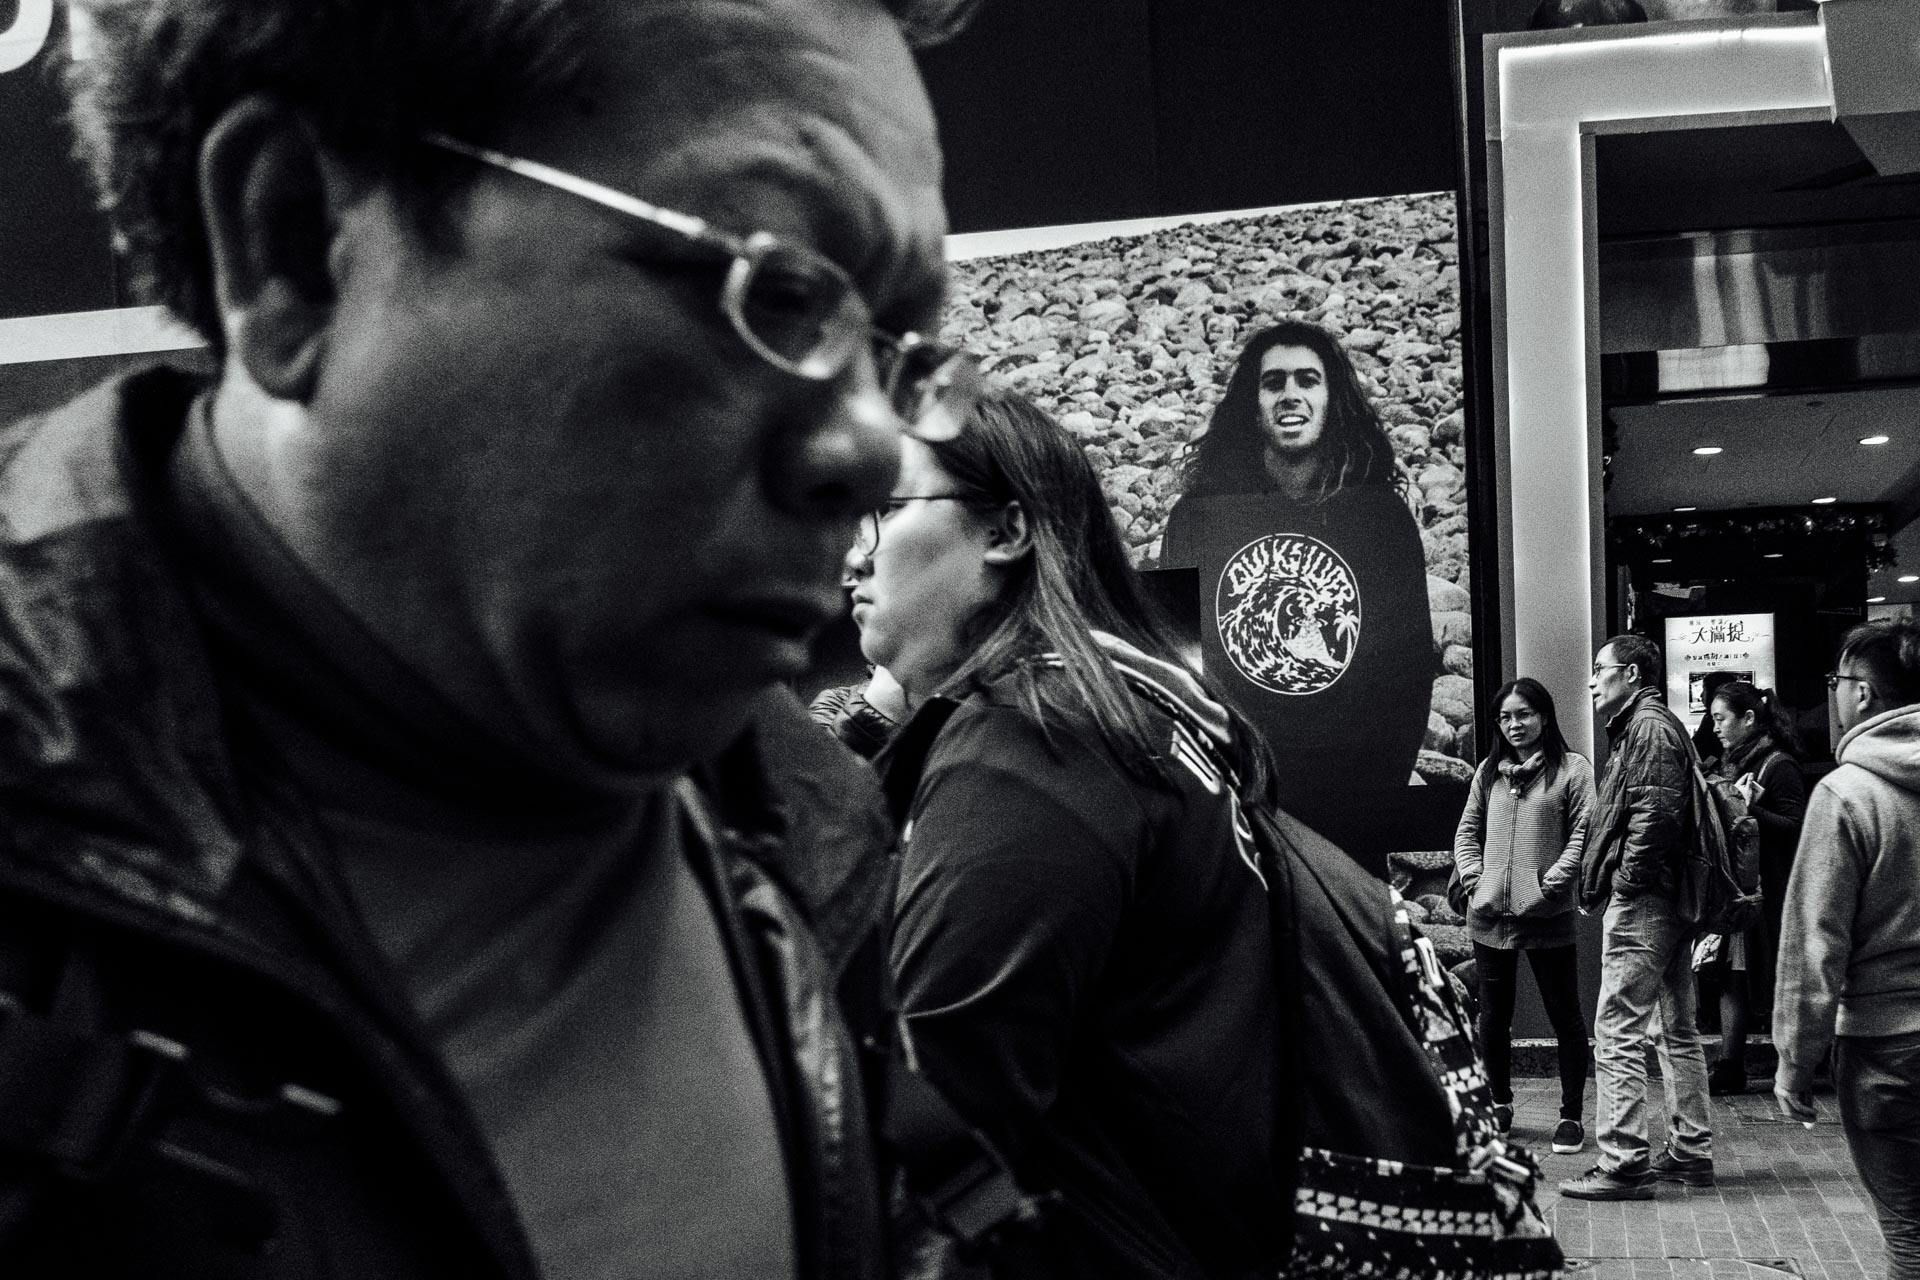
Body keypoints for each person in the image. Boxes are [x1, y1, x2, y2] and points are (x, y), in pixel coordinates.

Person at [0, 0, 981, 1273]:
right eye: (777, 288)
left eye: (895, 354)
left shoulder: (810, 828)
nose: (872, 451)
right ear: (293, 243)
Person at [845, 387, 1285, 1277]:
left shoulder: (1030, 744)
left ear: (1006, 531)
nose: (852, 554)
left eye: (884, 508)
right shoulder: (1136, 720)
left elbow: (940, 1115)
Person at [1159, 321, 1432, 832]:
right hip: (1237, 799)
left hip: (1349, 798)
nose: (1290, 394)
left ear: (1332, 399)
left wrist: (1379, 794)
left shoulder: (1381, 520)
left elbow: (1409, 673)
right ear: (1253, 403)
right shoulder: (1196, 518)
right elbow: (1173, 664)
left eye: (1308, 380)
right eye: (1273, 382)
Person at [1774, 619, 1920, 1280]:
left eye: (1835, 680)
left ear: (1861, 693)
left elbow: (1815, 944)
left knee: (1910, 1232)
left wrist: (1795, 1062)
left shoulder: (1847, 795)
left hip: (1888, 1047)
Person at [1561, 634, 1715, 1201]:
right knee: (1675, 1027)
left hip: (1647, 899)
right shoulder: (1652, 724)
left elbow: (1656, 815)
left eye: (1600, 668)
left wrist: (1626, 885)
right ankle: (1691, 1151)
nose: (1591, 680)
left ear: (1630, 674)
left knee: (1617, 1027)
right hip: (1668, 897)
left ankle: (1624, 1161)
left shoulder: (1646, 727)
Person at [1451, 677, 1596, 1155]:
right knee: (1493, 1018)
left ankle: (1571, 1115)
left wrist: (1550, 885)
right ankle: (1499, 1103)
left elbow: (1584, 833)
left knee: (1565, 1017)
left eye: (1524, 714)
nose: (1514, 725)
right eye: (1505, 717)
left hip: (1548, 915)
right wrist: (1475, 880)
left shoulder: (1572, 769)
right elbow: (1467, 831)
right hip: (1490, 917)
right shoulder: (1488, 772)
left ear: (1544, 716)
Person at [1700, 680, 1806, 1096]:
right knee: (1731, 975)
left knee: (1771, 978)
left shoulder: (1778, 765)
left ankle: (1791, 1064)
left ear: (1748, 718)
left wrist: (1747, 809)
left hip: (1771, 891)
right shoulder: (1731, 763)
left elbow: (1795, 826)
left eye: (1721, 719)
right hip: (1738, 889)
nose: (1716, 728)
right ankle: (1730, 1064)